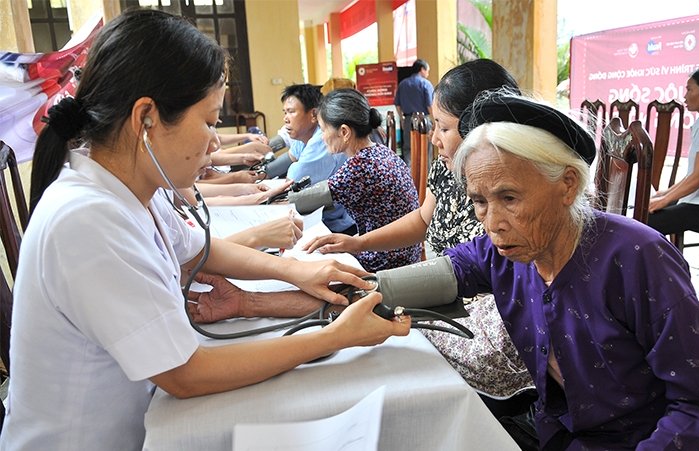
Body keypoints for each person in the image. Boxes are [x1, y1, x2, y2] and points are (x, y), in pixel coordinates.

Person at [0, 10, 410, 450]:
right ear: (147, 119)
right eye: (210, 121)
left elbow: (198, 251)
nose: (216, 143)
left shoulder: (133, 188)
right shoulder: (86, 220)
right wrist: (331, 338)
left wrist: (294, 272)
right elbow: (185, 373)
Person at [446, 91, 699, 450]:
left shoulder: (638, 257)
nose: (493, 223)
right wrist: (365, 286)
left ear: (568, 184)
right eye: (480, 202)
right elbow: (451, 270)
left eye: (509, 198)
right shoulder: (504, 249)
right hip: (558, 432)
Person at [305, 59, 535, 414]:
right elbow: (422, 220)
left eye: (442, 127)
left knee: (373, 346)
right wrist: (358, 242)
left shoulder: (513, 191)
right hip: (445, 289)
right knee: (358, 319)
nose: (433, 137)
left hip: (477, 315)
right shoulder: (446, 168)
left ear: (482, 129)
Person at [316, 88, 421, 271]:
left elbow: (305, 202)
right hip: (406, 252)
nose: (322, 137)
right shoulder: (380, 150)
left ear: (344, 132)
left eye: (323, 129)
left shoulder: (359, 167)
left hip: (384, 261)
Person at [648, 66, 699, 236]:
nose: (685, 95)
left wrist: (666, 199)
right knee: (647, 211)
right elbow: (694, 174)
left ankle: (663, 263)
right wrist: (666, 193)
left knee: (646, 221)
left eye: (689, 89)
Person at [281, 84, 356, 235]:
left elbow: (290, 187)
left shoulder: (324, 139)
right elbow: (291, 158)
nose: (285, 119)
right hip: (330, 221)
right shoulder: (305, 135)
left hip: (341, 226)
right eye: (285, 112)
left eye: (291, 112)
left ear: (314, 115)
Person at [394, 58, 433, 165]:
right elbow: (430, 105)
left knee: (408, 148)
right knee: (426, 148)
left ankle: (409, 176)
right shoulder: (426, 84)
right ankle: (426, 177)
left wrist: (402, 118)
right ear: (422, 69)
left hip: (408, 120)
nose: (428, 73)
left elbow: (397, 104)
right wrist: (434, 121)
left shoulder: (403, 84)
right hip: (423, 119)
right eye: (427, 71)